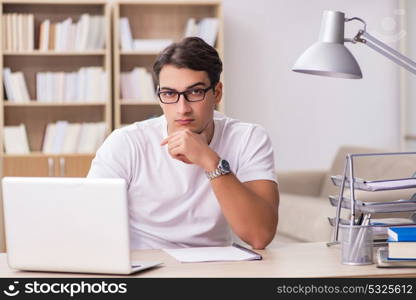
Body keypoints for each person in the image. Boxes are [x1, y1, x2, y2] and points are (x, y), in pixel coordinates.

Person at [88, 37, 279, 250]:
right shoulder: (126, 143)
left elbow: (259, 235)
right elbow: (89, 223)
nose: (182, 109)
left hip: (215, 266)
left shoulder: (248, 138)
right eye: (169, 93)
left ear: (216, 93)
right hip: (145, 264)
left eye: (195, 92)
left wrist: (210, 161)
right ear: (160, 97)